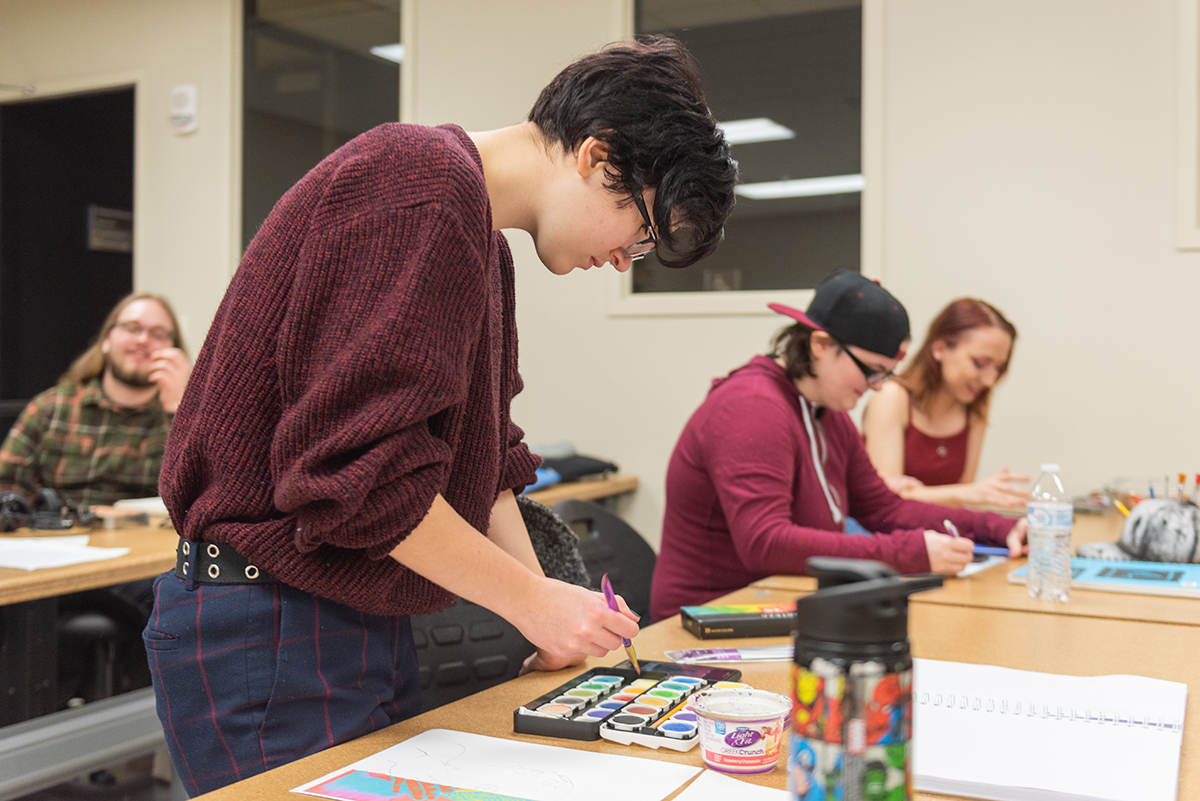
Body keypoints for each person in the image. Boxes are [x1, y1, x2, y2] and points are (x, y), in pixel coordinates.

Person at [147, 37, 738, 795]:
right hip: (273, 625)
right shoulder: (419, 184)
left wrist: (552, 617)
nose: (627, 259)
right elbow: (354, 481)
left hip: (347, 613)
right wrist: (534, 601)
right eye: (645, 232)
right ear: (599, 158)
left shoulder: (480, 241)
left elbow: (488, 470)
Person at [649, 271, 1027, 622]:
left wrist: (998, 527)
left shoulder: (827, 411)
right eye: (871, 370)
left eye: (887, 373)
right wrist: (910, 554)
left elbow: (884, 509)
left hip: (774, 602)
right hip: (710, 617)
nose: (878, 386)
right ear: (821, 344)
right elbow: (765, 542)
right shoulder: (752, 408)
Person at [0, 293, 191, 508]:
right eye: (132, 328)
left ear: (174, 348)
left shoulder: (188, 417)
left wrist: (182, 410)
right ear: (107, 340)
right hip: (64, 536)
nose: (143, 340)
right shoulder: (50, 409)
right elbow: (6, 489)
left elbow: (204, 497)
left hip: (154, 539)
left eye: (158, 333)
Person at [861, 298, 1026, 508]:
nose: (989, 381)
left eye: (998, 368)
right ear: (939, 348)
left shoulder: (976, 406)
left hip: (943, 533)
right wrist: (969, 493)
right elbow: (884, 501)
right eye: (980, 363)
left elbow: (962, 499)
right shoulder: (891, 397)